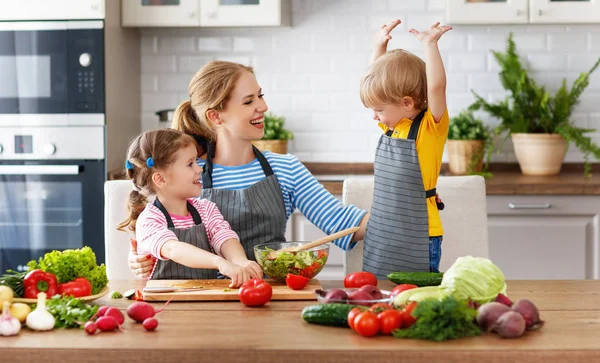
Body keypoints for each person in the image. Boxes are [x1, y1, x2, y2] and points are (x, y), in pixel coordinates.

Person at [128, 60, 369, 279]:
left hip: (269, 293)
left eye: (260, 96)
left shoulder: (285, 168)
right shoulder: (188, 174)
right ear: (216, 116)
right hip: (204, 297)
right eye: (249, 101)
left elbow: (344, 223)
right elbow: (154, 233)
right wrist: (139, 259)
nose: (263, 106)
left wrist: (398, 214)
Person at [358, 19, 452, 277]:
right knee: (380, 295)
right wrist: (379, 46)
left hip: (419, 236)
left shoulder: (429, 128)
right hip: (383, 233)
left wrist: (430, 44)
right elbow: (375, 83)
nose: (375, 118)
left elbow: (436, 86)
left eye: (379, 111)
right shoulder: (392, 126)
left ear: (407, 102)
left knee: (415, 298)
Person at [118, 128, 263, 287]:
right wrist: (219, 262)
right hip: (165, 304)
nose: (199, 169)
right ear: (160, 179)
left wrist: (240, 261)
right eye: (190, 164)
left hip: (205, 296)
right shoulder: (149, 220)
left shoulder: (206, 209)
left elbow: (224, 237)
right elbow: (173, 249)